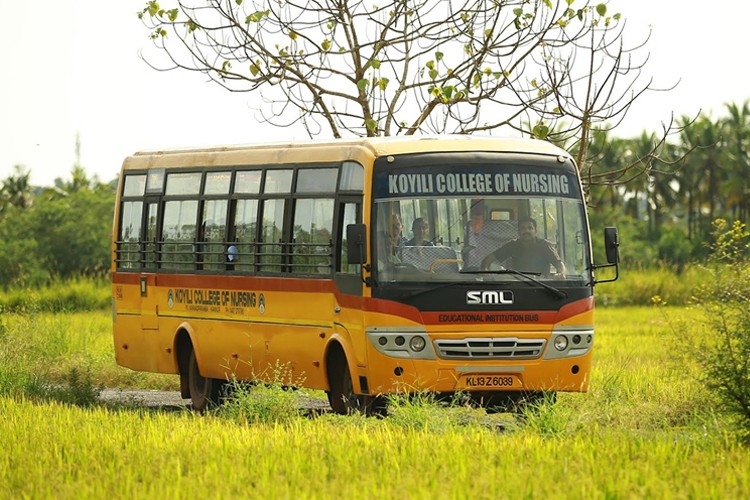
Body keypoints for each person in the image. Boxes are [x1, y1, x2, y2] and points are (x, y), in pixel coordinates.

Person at [481, 217, 566, 275]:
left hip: (542, 286)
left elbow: (559, 264)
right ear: (518, 232)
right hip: (520, 285)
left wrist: (561, 274)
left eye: (530, 228)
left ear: (535, 231)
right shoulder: (513, 245)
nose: (526, 231)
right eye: (523, 228)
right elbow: (488, 259)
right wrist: (485, 272)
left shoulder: (544, 245)